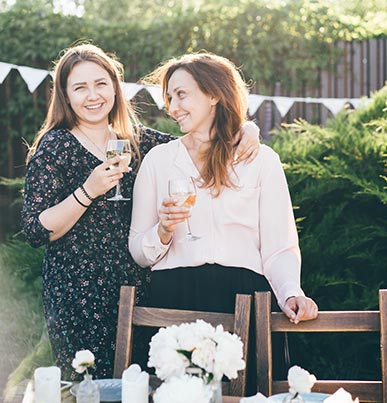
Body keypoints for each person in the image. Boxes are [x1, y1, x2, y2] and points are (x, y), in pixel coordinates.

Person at [21, 44, 260, 380]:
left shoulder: (141, 143)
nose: (93, 95)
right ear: (65, 96)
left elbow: (200, 140)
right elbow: (36, 229)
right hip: (79, 292)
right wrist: (88, 190)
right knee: (92, 390)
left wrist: (246, 129)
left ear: (115, 88)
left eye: (101, 84)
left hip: (139, 290)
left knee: (141, 390)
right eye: (80, 87)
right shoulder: (55, 146)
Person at [129, 52, 318, 342]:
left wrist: (291, 292)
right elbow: (139, 252)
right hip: (173, 299)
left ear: (214, 95)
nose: (173, 108)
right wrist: (164, 231)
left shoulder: (261, 160)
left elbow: (279, 248)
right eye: (169, 98)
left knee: (247, 388)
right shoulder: (158, 160)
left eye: (181, 95)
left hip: (245, 300)